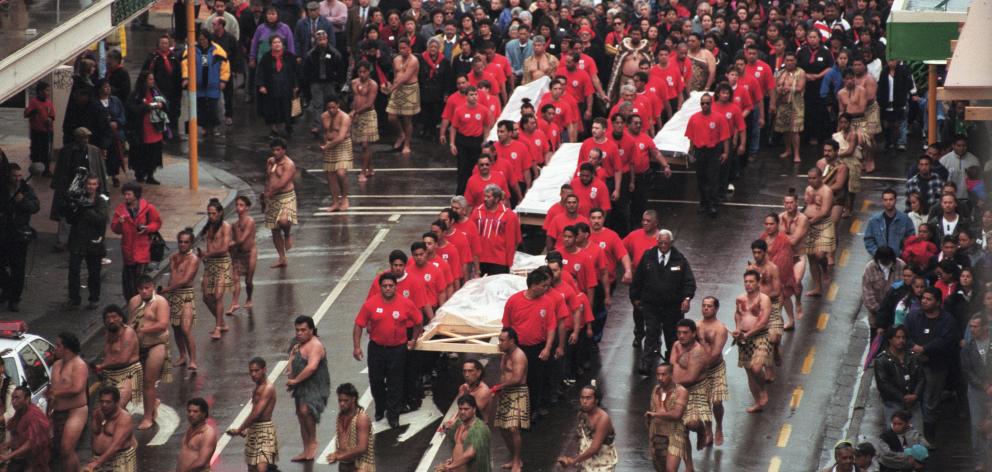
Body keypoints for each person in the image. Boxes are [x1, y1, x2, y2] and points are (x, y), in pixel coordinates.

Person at [354, 272, 423, 428]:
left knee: (395, 382)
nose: (387, 288)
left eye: (390, 286)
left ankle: (393, 414)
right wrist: (357, 346)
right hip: (377, 349)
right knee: (376, 381)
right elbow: (359, 324)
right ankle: (380, 407)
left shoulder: (406, 303)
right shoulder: (371, 304)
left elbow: (418, 322)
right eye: (384, 286)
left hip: (398, 349)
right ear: (380, 287)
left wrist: (414, 340)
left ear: (395, 286)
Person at [630, 229, 697, 373]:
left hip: (672, 307)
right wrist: (635, 298)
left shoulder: (679, 259)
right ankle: (647, 363)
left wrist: (687, 298)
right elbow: (638, 279)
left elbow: (689, 282)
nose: (662, 245)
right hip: (651, 305)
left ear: (671, 243)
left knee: (672, 336)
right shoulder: (648, 257)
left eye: (665, 243)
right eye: (660, 242)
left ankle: (671, 362)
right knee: (651, 333)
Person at [904, 287, 956, 443]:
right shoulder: (913, 316)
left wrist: (926, 350)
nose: (924, 301)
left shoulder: (947, 320)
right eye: (923, 298)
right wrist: (915, 349)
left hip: (936, 368)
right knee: (911, 399)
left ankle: (928, 436)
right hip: (913, 365)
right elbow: (904, 335)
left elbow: (946, 341)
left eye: (929, 299)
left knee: (930, 402)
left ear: (938, 302)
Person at [51, 127, 109, 250]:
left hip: (88, 186)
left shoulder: (94, 151)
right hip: (70, 186)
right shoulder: (67, 151)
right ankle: (63, 240)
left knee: (88, 210)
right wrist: (58, 185)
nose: (85, 140)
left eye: (87, 138)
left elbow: (100, 170)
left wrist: (101, 187)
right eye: (83, 138)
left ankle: (87, 238)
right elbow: (60, 170)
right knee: (66, 212)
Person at [129, 275, 171, 430]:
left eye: (147, 288)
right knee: (138, 381)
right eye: (141, 289)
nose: (144, 291)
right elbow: (130, 322)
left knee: (149, 381)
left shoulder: (160, 302)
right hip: (138, 346)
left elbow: (163, 324)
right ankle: (153, 402)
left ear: (153, 287)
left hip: (156, 344)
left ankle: (148, 417)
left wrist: (143, 329)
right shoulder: (134, 302)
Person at [287, 315, 331, 461]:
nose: (299, 333)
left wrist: (295, 381)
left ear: (311, 330)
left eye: (303, 330)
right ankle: (305, 449)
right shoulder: (297, 344)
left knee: (306, 410)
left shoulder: (315, 345)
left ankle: (313, 442)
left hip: (316, 384)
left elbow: (312, 367)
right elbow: (290, 366)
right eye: (297, 330)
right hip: (301, 384)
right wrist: (291, 379)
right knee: (300, 414)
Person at [111, 182, 162, 300]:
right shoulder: (120, 209)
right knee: (128, 285)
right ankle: (132, 306)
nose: (126, 197)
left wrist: (147, 228)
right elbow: (115, 229)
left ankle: (143, 305)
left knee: (140, 283)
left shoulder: (148, 208)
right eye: (125, 194)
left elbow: (157, 223)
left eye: (128, 194)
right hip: (128, 252)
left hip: (143, 250)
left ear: (136, 195)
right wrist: (119, 223)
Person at [227, 357, 279, 471]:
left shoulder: (268, 388)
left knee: (261, 467)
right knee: (252, 468)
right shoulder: (257, 388)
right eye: (251, 371)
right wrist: (248, 428)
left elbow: (256, 414)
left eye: (256, 370)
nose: (253, 374)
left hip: (265, 431)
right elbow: (254, 412)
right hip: (254, 430)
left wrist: (239, 429)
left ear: (264, 370)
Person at [65, 173, 108, 308]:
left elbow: (101, 219)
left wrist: (86, 208)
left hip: (94, 241)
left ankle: (94, 298)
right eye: (89, 184)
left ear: (98, 185)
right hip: (78, 239)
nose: (91, 187)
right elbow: (69, 218)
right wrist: (73, 206)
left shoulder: (101, 200)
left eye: (94, 184)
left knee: (94, 272)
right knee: (73, 270)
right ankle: (74, 298)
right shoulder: (79, 197)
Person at [47, 332, 88, 472]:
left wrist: (56, 393)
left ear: (67, 348)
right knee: (62, 452)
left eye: (58, 345)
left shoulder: (79, 365)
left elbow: (77, 388)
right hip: (57, 411)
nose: (55, 348)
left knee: (66, 448)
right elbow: (53, 388)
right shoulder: (57, 364)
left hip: (76, 411)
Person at [684, 93, 730, 217]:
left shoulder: (719, 118)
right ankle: (703, 203)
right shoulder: (694, 118)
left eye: (707, 103)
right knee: (701, 179)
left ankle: (712, 204)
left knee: (712, 179)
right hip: (700, 152)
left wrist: (725, 152)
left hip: (713, 151)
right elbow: (691, 137)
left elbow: (725, 137)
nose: (705, 105)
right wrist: (690, 152)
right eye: (702, 103)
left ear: (711, 104)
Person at [160, 228, 199, 370]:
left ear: (191, 243)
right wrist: (167, 293)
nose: (182, 244)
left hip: (186, 294)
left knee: (185, 328)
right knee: (176, 328)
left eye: (186, 242)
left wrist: (167, 289)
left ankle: (193, 360)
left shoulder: (193, 259)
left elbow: (186, 279)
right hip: (173, 295)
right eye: (180, 242)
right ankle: (183, 356)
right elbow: (172, 276)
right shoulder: (174, 257)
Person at [734, 270, 772, 413]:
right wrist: (737, 329)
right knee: (750, 372)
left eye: (751, 282)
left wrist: (748, 334)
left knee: (756, 368)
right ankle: (757, 402)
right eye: (746, 282)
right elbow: (738, 314)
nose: (748, 285)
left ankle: (763, 390)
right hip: (743, 338)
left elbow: (762, 322)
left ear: (758, 283)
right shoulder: (740, 299)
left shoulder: (764, 299)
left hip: (760, 337)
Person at [557, 384, 619, 471]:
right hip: (586, 464)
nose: (584, 401)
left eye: (588, 398)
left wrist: (573, 461)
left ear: (596, 400)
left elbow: (594, 448)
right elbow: (581, 439)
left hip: (603, 465)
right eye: (582, 398)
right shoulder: (582, 415)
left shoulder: (603, 419)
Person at [873, 326, 924, 430]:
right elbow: (883, 384)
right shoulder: (882, 360)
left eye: (903, 338)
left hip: (913, 403)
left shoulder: (913, 356)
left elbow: (921, 377)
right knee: (895, 436)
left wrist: (915, 395)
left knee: (917, 434)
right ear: (890, 339)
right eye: (897, 337)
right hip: (893, 404)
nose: (901, 340)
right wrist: (902, 397)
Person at [671, 319, 711, 450]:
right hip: (676, 388)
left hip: (694, 390)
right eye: (679, 333)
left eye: (685, 333)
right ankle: (688, 466)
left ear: (693, 334)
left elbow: (691, 377)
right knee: (678, 429)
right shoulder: (676, 344)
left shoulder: (697, 351)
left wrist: (674, 385)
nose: (681, 336)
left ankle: (702, 431)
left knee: (692, 424)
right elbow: (672, 366)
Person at [493, 327, 528, 472]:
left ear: (511, 341)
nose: (499, 343)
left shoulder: (518, 356)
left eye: (502, 340)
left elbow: (517, 378)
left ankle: (517, 461)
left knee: (513, 428)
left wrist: (499, 387)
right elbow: (504, 373)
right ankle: (515, 457)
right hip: (505, 392)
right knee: (503, 428)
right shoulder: (505, 354)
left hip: (517, 392)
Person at [624, 211, 661, 347]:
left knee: (655, 311)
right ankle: (639, 333)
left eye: (648, 221)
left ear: (656, 222)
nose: (645, 223)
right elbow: (621, 251)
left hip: (655, 282)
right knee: (638, 309)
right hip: (638, 282)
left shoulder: (661, 238)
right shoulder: (634, 235)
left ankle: (655, 337)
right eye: (643, 220)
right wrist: (628, 269)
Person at [198, 199, 234, 340]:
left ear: (220, 213)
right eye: (209, 214)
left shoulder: (226, 227)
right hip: (210, 263)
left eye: (213, 213)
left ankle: (218, 327)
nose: (211, 216)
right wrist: (204, 257)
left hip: (222, 263)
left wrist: (206, 254)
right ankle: (222, 323)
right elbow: (208, 246)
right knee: (207, 297)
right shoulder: (209, 227)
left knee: (218, 296)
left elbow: (224, 248)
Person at [95, 305, 143, 409]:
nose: (111, 320)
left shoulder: (128, 332)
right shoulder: (108, 333)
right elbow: (108, 354)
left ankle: (152, 404)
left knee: (116, 408)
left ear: (121, 318)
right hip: (110, 374)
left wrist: (102, 366)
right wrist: (102, 370)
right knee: (99, 411)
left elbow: (123, 359)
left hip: (128, 373)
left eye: (114, 317)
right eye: (107, 318)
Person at [749, 239, 785, 371]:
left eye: (759, 252)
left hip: (772, 304)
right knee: (763, 339)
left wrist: (762, 298)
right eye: (754, 253)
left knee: (774, 338)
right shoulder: (750, 269)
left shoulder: (773, 268)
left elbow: (776, 290)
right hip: (758, 308)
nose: (756, 255)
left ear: (764, 252)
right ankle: (768, 370)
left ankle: (776, 350)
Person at [126, 71, 168, 184]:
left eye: (152, 79)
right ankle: (140, 173)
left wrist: (161, 105)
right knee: (141, 152)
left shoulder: (156, 92)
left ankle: (150, 174)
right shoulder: (136, 94)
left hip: (154, 128)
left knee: (153, 152)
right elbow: (132, 109)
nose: (152, 82)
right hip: (141, 130)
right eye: (150, 79)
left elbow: (165, 103)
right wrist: (146, 107)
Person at [646, 363, 690, 472]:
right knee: (660, 468)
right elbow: (651, 417)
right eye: (658, 375)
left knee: (670, 469)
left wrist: (656, 415)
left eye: (664, 375)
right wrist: (650, 440)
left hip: (675, 434)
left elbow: (676, 414)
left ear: (671, 374)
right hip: (657, 433)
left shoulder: (681, 391)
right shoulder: (656, 389)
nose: (660, 378)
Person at [962, 314, 992, 467]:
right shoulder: (967, 348)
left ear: (985, 327)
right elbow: (967, 371)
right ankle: (979, 460)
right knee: (977, 425)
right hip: (976, 390)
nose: (972, 330)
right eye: (971, 326)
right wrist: (984, 385)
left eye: (976, 326)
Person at [83, 386, 137, 472]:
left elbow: (116, 446)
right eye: (102, 401)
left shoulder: (124, 418)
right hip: (98, 459)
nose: (104, 405)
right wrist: (94, 457)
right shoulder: (97, 414)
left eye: (108, 402)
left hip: (119, 460)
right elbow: (93, 436)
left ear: (117, 402)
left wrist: (97, 462)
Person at [470, 185, 521, 275]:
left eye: (488, 197)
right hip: (479, 260)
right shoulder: (476, 212)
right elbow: (471, 236)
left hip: (499, 261)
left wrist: (509, 263)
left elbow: (513, 241)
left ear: (497, 199)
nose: (485, 199)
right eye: (485, 196)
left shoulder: (509, 215)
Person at [263, 138, 297, 268]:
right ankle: (282, 258)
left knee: (283, 221)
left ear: (283, 150)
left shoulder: (289, 164)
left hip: (285, 197)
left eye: (278, 150)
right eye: (274, 150)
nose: (275, 152)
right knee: (275, 229)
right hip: (272, 197)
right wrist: (265, 194)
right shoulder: (270, 162)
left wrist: (270, 192)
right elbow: (268, 179)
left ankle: (288, 234)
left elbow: (282, 183)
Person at [256, 35, 300, 138]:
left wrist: (296, 85)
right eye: (274, 43)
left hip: (286, 87)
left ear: (283, 44)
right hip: (271, 88)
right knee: (272, 108)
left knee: (287, 108)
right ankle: (274, 130)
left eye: (279, 42)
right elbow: (261, 72)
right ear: (271, 45)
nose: (277, 44)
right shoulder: (266, 57)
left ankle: (288, 127)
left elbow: (296, 72)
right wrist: (261, 85)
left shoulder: (290, 56)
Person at [0, 386, 52, 471]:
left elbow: (32, 442)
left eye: (17, 398)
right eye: (12, 398)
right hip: (20, 458)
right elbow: (17, 433)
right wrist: (7, 444)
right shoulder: (20, 412)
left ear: (27, 399)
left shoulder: (34, 415)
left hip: (32, 461)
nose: (13, 402)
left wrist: (10, 455)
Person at [326, 383, 375, 470]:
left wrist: (338, 456)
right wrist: (336, 454)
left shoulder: (361, 418)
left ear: (353, 399)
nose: (342, 404)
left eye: (345, 400)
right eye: (340, 400)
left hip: (360, 466)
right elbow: (343, 444)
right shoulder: (341, 416)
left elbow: (362, 448)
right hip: (344, 465)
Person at [437, 394, 492, 472]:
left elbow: (470, 453)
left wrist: (450, 466)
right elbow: (458, 447)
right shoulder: (459, 424)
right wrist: (453, 460)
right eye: (460, 409)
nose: (462, 412)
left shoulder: (480, 428)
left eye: (466, 409)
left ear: (474, 409)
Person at [804, 167, 836, 297]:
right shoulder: (808, 189)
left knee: (820, 255)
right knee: (811, 257)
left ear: (820, 177)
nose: (811, 181)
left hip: (823, 225)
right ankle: (817, 288)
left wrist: (809, 222)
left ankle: (824, 269)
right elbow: (807, 206)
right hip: (810, 225)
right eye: (809, 178)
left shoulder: (827, 191)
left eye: (814, 178)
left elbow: (825, 212)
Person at [386, 38, 421, 157]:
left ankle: (407, 144)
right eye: (400, 48)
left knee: (407, 119)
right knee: (391, 117)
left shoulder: (414, 60)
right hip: (397, 88)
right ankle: (401, 134)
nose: (401, 50)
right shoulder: (396, 59)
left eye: (404, 48)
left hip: (410, 89)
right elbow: (396, 76)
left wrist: (391, 88)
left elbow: (405, 77)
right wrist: (391, 86)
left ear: (409, 48)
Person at [142, 35, 182, 138]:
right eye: (162, 43)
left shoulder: (174, 57)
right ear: (158, 44)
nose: (164, 45)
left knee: (173, 112)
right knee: (159, 112)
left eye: (166, 43)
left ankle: (173, 132)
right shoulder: (153, 58)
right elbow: (145, 72)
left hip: (173, 91)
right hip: (158, 91)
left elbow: (179, 73)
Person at [862, 246, 906, 337]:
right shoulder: (870, 268)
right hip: (876, 317)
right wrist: (881, 313)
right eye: (882, 260)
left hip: (896, 317)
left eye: (888, 260)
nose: (885, 263)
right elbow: (867, 294)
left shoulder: (901, 266)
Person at [770, 51, 806, 163]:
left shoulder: (801, 72)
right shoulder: (780, 73)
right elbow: (774, 89)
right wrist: (773, 104)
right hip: (782, 104)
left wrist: (788, 88)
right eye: (787, 60)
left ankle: (797, 154)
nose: (789, 62)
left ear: (795, 61)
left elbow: (800, 88)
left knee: (795, 130)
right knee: (785, 129)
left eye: (792, 60)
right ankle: (788, 149)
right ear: (784, 61)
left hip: (796, 105)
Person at [780, 191, 810, 320]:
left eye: (791, 202)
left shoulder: (802, 219)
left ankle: (798, 301)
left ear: (797, 203)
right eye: (786, 203)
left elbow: (794, 241)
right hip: (784, 257)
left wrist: (782, 234)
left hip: (798, 256)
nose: (789, 205)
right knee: (784, 289)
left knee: (796, 282)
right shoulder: (780, 216)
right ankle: (791, 319)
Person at [320, 95, 354, 212]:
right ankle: (335, 201)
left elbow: (340, 137)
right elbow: (325, 133)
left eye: (333, 107)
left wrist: (327, 146)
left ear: (338, 105)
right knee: (330, 175)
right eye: (329, 108)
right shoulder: (324, 116)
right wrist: (325, 144)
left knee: (341, 172)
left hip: (343, 145)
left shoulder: (345, 117)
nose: (331, 110)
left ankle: (344, 198)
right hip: (329, 145)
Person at [351, 61, 380, 181]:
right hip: (358, 115)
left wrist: (356, 111)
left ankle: (363, 172)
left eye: (364, 72)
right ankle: (370, 168)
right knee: (363, 146)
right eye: (360, 72)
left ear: (369, 72)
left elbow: (369, 103)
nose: (362, 74)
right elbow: (354, 99)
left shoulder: (373, 85)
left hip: (368, 115)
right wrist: (353, 111)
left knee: (365, 145)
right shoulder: (354, 82)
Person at [228, 196, 258, 314]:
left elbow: (241, 239)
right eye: (237, 205)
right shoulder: (235, 224)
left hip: (250, 253)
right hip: (238, 254)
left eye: (241, 205)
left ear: (246, 207)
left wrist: (230, 244)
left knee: (248, 281)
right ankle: (234, 303)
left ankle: (249, 298)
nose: (238, 208)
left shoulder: (250, 221)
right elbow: (234, 239)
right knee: (235, 279)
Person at [864, 189, 916, 256]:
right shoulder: (874, 221)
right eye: (885, 200)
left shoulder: (905, 220)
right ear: (882, 201)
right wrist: (877, 253)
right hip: (879, 260)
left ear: (895, 200)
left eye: (891, 199)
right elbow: (868, 240)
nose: (888, 202)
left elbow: (911, 239)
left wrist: (902, 253)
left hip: (899, 259)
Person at [177, 398, 219, 472]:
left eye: (195, 411)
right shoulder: (191, 428)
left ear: (204, 414)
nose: (191, 414)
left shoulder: (207, 434)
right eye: (189, 411)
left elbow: (201, 462)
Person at [24, 81, 55, 175]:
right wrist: (33, 113)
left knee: (46, 151)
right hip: (37, 131)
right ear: (40, 91)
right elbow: (27, 114)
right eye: (46, 90)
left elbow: (52, 115)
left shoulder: (49, 103)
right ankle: (36, 169)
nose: (48, 92)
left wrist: (49, 119)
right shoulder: (34, 102)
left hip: (47, 131)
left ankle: (46, 170)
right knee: (36, 151)